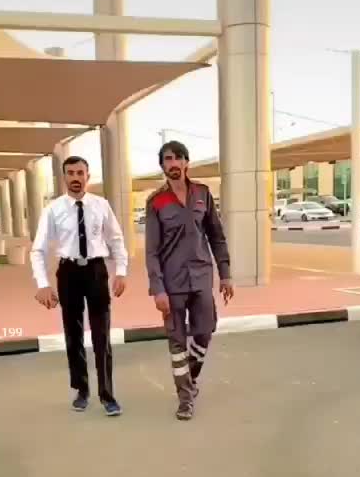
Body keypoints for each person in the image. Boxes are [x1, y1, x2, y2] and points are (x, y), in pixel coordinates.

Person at [30, 155, 127, 416]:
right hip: (69, 273)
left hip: (96, 271)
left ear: (88, 176)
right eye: (71, 173)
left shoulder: (101, 205)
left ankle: (107, 394)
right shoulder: (53, 210)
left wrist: (121, 272)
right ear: (64, 177)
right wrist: (42, 284)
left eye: (80, 173)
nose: (76, 178)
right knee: (73, 335)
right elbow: (38, 250)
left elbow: (116, 240)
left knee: (101, 334)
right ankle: (81, 390)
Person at [145, 140, 234, 421]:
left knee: (205, 330)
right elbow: (151, 251)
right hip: (172, 282)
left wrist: (225, 274)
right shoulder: (156, 201)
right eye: (167, 159)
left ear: (186, 162)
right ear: (162, 166)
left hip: (201, 276)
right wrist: (157, 289)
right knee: (177, 341)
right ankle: (185, 398)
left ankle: (190, 377)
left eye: (177, 158)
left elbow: (216, 236)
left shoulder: (202, 194)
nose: (173, 163)